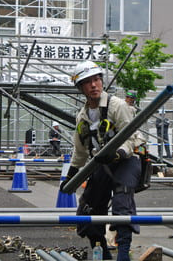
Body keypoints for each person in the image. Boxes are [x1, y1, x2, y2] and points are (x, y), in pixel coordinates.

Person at [60, 60, 142, 261]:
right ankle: (102, 253)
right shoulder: (83, 117)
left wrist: (119, 153)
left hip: (127, 159)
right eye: (88, 82)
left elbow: (131, 137)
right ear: (80, 88)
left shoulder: (117, 106)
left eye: (97, 79)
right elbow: (80, 151)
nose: (94, 85)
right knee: (88, 208)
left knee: (122, 201)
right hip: (102, 162)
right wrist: (71, 176)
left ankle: (123, 254)